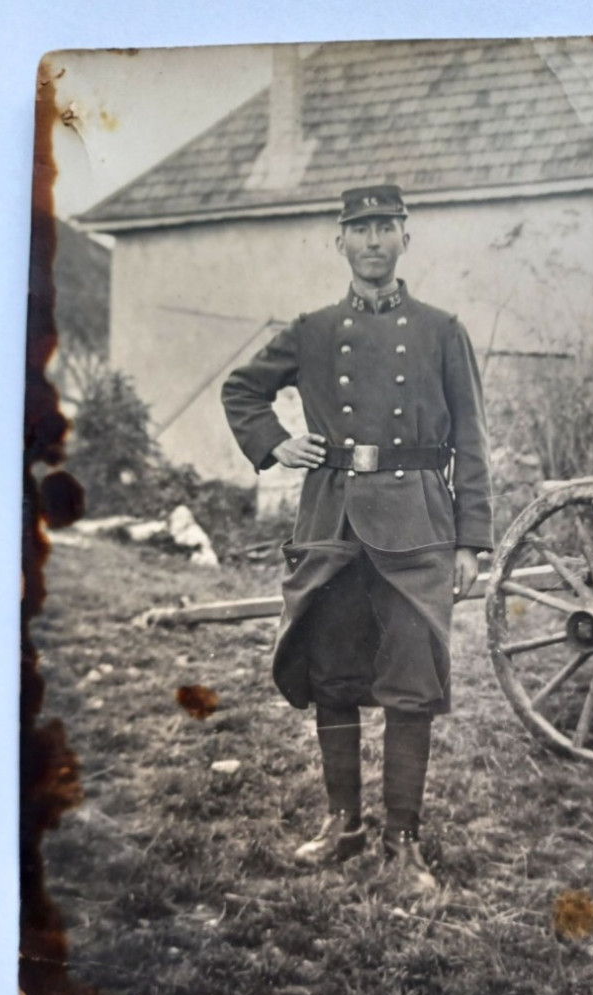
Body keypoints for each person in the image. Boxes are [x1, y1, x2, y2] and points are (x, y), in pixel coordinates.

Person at [221, 184, 492, 894]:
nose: (372, 241)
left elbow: (471, 441)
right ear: (338, 241)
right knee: (332, 675)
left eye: (384, 228)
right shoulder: (311, 329)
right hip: (333, 522)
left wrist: (472, 541)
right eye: (358, 229)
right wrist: (276, 445)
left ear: (406, 236)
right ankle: (342, 825)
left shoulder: (440, 328)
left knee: (411, 681)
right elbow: (242, 390)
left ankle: (402, 840)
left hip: (419, 526)